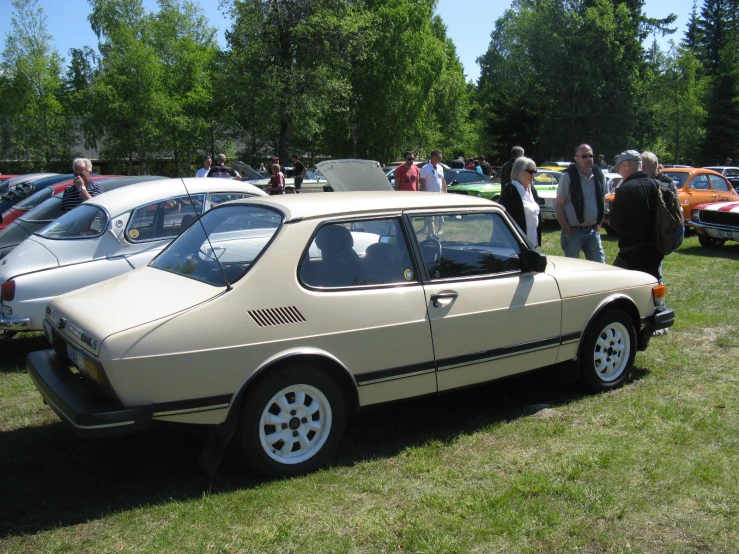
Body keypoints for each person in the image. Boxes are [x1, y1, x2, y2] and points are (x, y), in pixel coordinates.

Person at [609, 150, 662, 280]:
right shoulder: (656, 185)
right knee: (652, 286)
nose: (619, 173)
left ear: (627, 165)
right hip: (654, 250)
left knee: (619, 284)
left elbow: (615, 222)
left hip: (630, 252)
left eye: (620, 168)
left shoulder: (625, 189)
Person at [554, 143, 606, 262]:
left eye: (591, 156)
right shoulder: (567, 177)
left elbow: (602, 202)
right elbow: (558, 206)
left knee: (601, 267)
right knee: (572, 269)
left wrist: (599, 225)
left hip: (593, 231)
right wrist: (568, 230)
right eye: (584, 156)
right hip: (573, 232)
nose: (588, 159)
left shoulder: (599, 176)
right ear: (576, 159)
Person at [498, 157, 541, 246]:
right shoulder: (510, 191)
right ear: (520, 171)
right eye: (531, 171)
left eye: (535, 172)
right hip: (516, 244)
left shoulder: (532, 189)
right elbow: (504, 222)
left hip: (532, 242)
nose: (533, 175)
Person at [419, 150, 447, 236]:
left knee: (437, 215)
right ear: (433, 157)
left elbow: (442, 181)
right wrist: (424, 195)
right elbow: (422, 182)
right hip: (429, 196)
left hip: (439, 196)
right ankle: (433, 234)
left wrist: (445, 193)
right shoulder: (425, 168)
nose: (440, 160)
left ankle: (429, 235)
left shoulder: (440, 168)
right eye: (439, 158)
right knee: (430, 217)